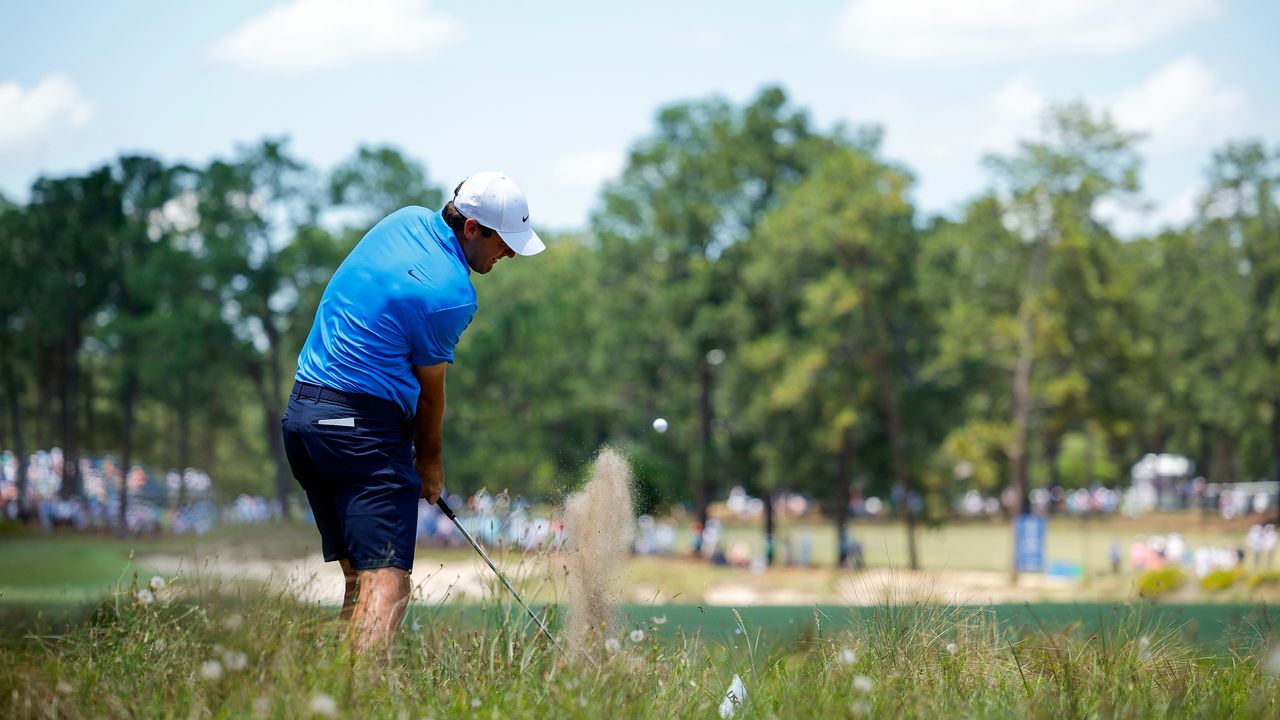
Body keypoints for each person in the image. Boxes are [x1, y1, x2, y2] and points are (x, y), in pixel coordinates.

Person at [281, 173, 544, 654]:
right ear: (471, 229)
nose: (506, 255)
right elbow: (430, 396)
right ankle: (361, 703)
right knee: (388, 587)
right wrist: (429, 465)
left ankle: (318, 691)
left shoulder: (403, 220)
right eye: (504, 243)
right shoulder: (454, 296)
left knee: (361, 581)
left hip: (304, 420)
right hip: (360, 432)